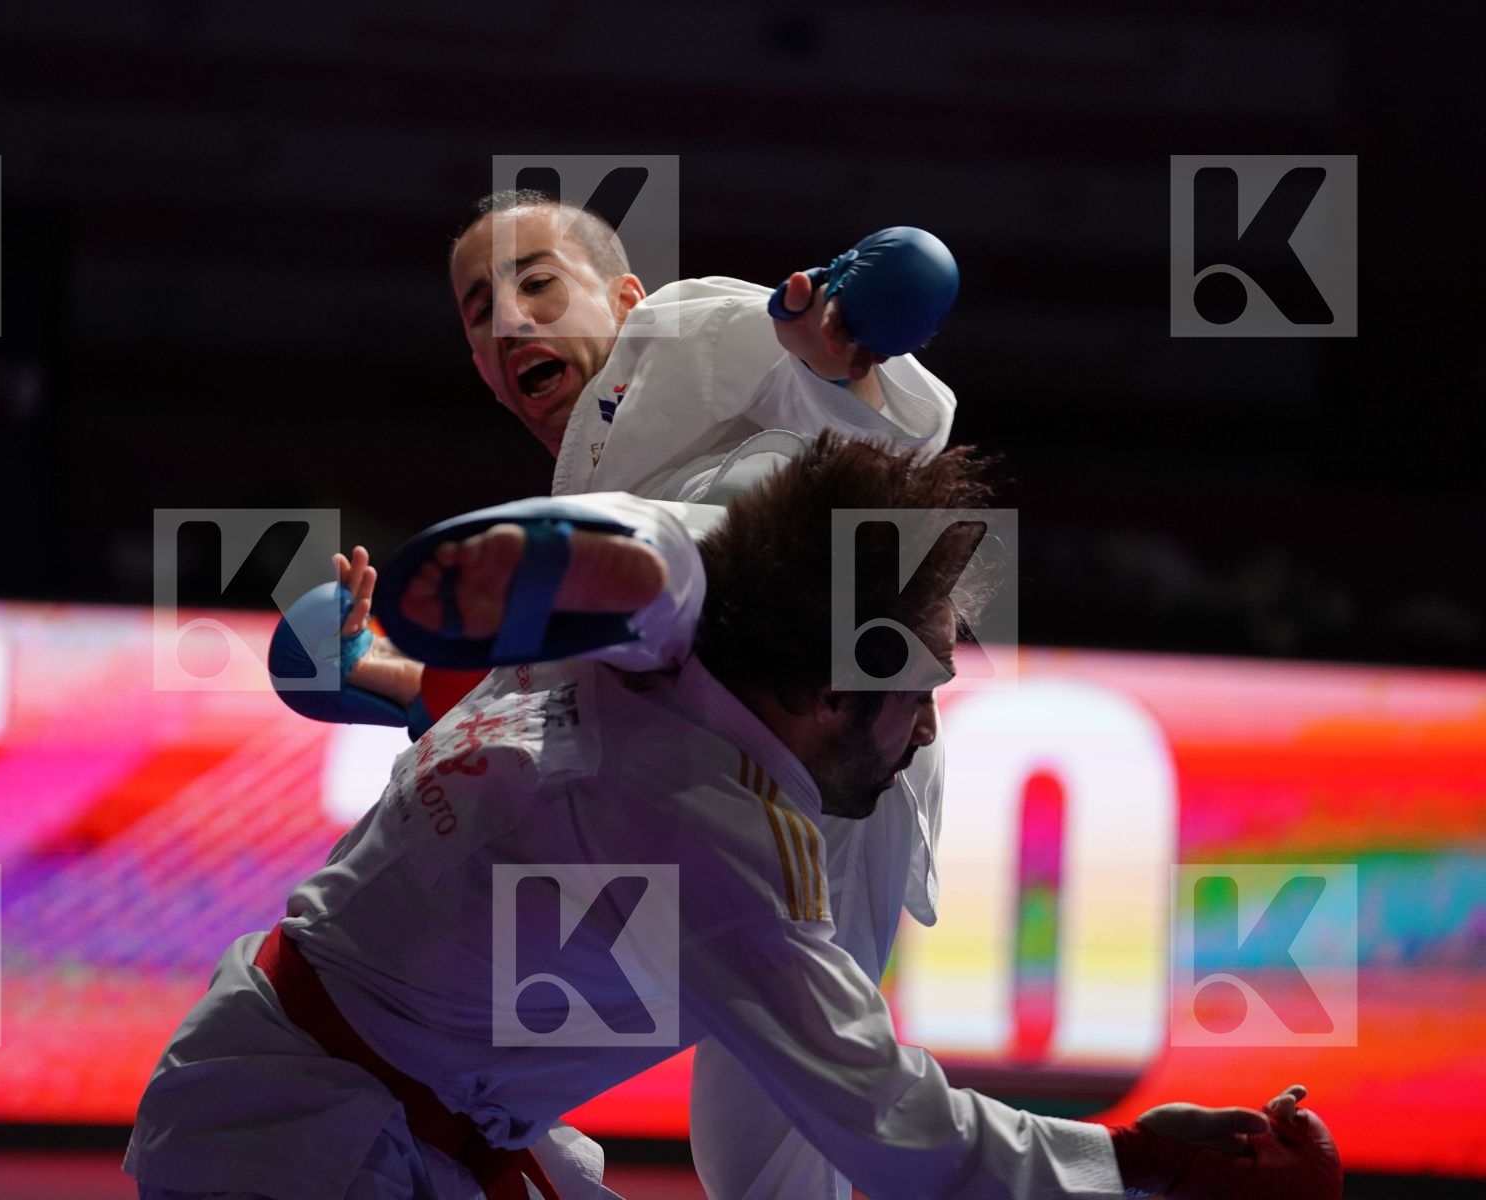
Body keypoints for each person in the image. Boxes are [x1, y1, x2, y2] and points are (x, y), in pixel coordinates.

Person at [128, 434, 1331, 1200]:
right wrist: (1141, 1163)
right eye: (917, 697)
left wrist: (390, 673)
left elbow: (717, 544)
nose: (925, 735)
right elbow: (902, 1134)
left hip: (347, 1108)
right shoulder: (718, 851)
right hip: (310, 1152)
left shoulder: (633, 638)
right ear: (826, 694)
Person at [311, 189, 964, 1199]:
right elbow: (550, 709)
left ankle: (653, 567)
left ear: (623, 296)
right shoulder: (569, 501)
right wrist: (386, 682)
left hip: (844, 749)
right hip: (725, 790)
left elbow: (906, 431)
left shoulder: (680, 328)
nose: (511, 315)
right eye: (481, 309)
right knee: (757, 1159)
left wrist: (835, 351)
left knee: (746, 495)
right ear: (483, 374)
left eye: (538, 281)